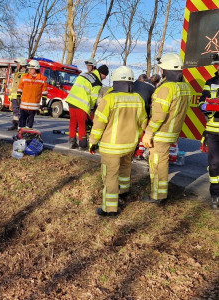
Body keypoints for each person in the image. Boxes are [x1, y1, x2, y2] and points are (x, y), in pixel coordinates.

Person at [89, 66, 147, 216]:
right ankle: (123, 192)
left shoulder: (109, 99)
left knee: (110, 176)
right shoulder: (138, 99)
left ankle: (110, 209)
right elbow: (143, 122)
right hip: (129, 146)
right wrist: (136, 140)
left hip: (111, 147)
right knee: (125, 170)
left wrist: (92, 142)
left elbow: (99, 124)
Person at [141, 53, 192, 204]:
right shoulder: (185, 87)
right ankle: (159, 193)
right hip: (172, 132)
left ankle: (158, 196)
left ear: (165, 70)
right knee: (161, 163)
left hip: (161, 133)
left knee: (157, 164)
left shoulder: (165, 89)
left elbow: (158, 116)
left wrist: (148, 133)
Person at [65, 64, 109, 150]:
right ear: (101, 73)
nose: (105, 78)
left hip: (71, 100)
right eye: (105, 75)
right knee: (82, 123)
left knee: (73, 122)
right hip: (81, 103)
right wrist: (92, 109)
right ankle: (83, 144)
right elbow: (93, 98)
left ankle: (72, 143)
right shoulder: (97, 82)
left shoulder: (85, 74)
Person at [199, 54, 219, 209]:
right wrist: (206, 106)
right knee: (214, 165)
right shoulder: (210, 82)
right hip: (213, 131)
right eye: (216, 65)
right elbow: (201, 102)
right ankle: (215, 196)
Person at [16, 59, 47, 129]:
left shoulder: (43, 79)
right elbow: (20, 87)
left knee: (30, 121)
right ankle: (20, 133)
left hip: (34, 104)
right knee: (22, 119)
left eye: (31, 69)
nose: (29, 70)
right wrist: (18, 96)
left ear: (36, 69)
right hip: (24, 103)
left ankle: (28, 133)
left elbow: (44, 90)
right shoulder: (24, 77)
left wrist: (44, 100)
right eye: (29, 68)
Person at [7, 57, 28, 131]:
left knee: (22, 112)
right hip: (14, 97)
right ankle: (15, 124)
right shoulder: (16, 74)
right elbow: (13, 86)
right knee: (15, 111)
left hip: (22, 97)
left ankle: (21, 126)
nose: (17, 65)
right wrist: (10, 97)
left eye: (18, 64)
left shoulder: (26, 75)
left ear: (22, 65)